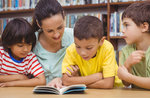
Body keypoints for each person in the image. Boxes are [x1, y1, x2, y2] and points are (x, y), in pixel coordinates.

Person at [62, 16, 123, 88]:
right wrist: (96, 76)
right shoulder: (71, 50)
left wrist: (76, 81)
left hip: (115, 91)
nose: (82, 53)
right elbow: (66, 81)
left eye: (89, 48)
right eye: (78, 46)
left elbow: (108, 84)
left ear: (101, 41)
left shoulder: (107, 48)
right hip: (89, 92)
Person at [32, 0, 74, 88]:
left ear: (64, 16)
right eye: (50, 31)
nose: (57, 35)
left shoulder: (75, 37)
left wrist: (62, 79)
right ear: (39, 24)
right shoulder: (31, 42)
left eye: (60, 27)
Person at [0, 18, 46, 87]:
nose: (26, 49)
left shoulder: (30, 57)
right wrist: (19, 77)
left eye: (29, 44)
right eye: (20, 46)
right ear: (9, 44)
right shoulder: (2, 54)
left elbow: (42, 81)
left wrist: (12, 83)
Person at [117, 2, 150, 89]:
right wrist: (127, 65)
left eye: (126, 25)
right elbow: (126, 83)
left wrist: (128, 77)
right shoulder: (126, 51)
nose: (122, 31)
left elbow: (127, 79)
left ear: (144, 27)